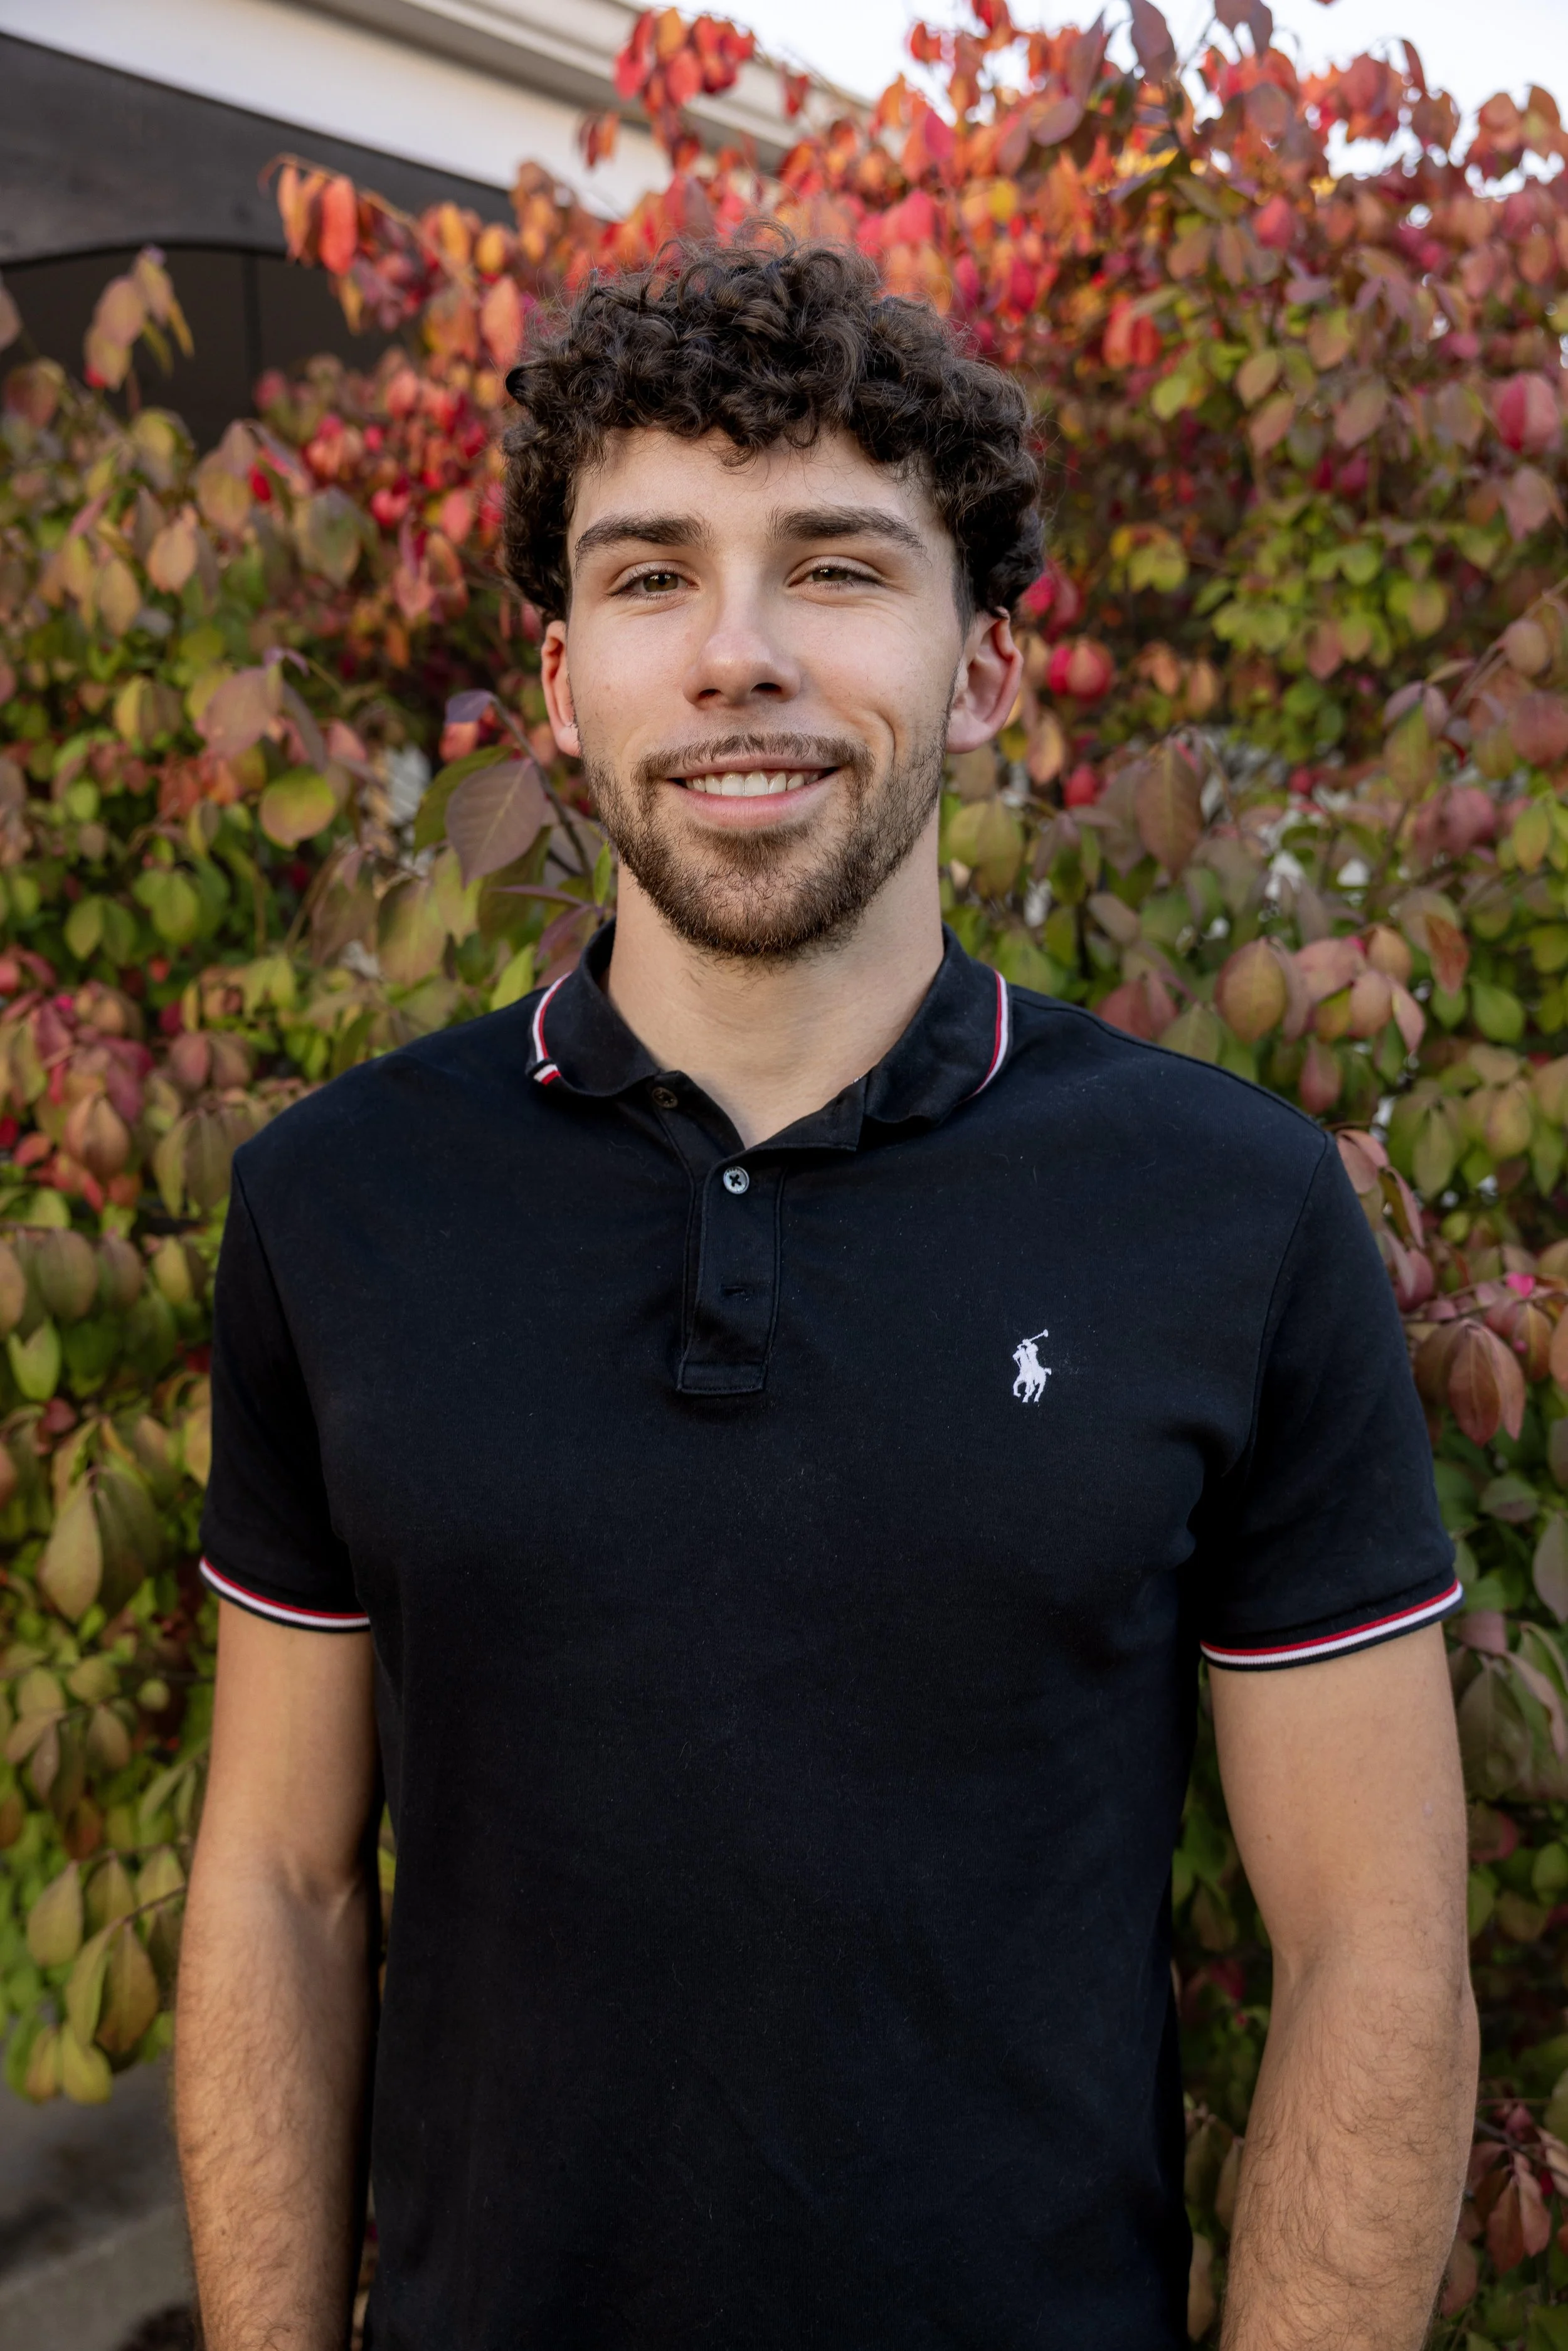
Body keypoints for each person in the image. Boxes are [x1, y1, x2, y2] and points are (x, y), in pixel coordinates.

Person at [175, 236, 1477, 2351]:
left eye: (840, 568)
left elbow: (1377, 1951)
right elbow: (281, 1886)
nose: (736, 655)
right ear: (563, 671)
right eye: (651, 573)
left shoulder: (1228, 1214)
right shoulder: (342, 1204)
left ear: (980, 669)